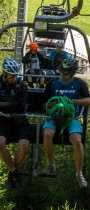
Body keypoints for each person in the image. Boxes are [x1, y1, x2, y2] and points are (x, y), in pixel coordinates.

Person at [42, 58, 90, 188]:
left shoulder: (79, 84)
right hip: (53, 117)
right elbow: (44, 103)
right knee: (47, 134)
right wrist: (57, 101)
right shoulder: (52, 83)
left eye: (65, 73)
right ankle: (50, 164)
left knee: (77, 140)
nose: (62, 75)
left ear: (72, 73)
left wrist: (72, 101)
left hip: (72, 118)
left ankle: (79, 173)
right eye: (61, 72)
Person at [0, 58, 30, 189]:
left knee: (24, 145)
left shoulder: (21, 85)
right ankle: (15, 172)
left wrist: (4, 105)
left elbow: (21, 106)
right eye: (12, 76)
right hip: (3, 120)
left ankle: (12, 171)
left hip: (19, 119)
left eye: (16, 76)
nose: (14, 78)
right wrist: (12, 105)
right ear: (4, 74)